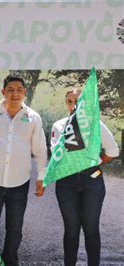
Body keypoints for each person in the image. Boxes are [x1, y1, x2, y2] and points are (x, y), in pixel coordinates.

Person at [0, 75, 48, 266]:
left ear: (24, 92)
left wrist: (41, 176)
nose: (15, 93)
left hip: (19, 183)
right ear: (3, 92)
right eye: (11, 89)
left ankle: (9, 261)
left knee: (15, 228)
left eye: (19, 90)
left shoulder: (33, 117)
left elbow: (40, 149)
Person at [50, 88, 119, 266]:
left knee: (91, 229)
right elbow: (56, 155)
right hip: (66, 182)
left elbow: (113, 151)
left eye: (77, 101)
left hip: (92, 182)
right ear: (66, 104)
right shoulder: (59, 126)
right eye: (69, 101)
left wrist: (93, 163)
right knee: (71, 230)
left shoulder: (96, 124)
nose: (73, 105)